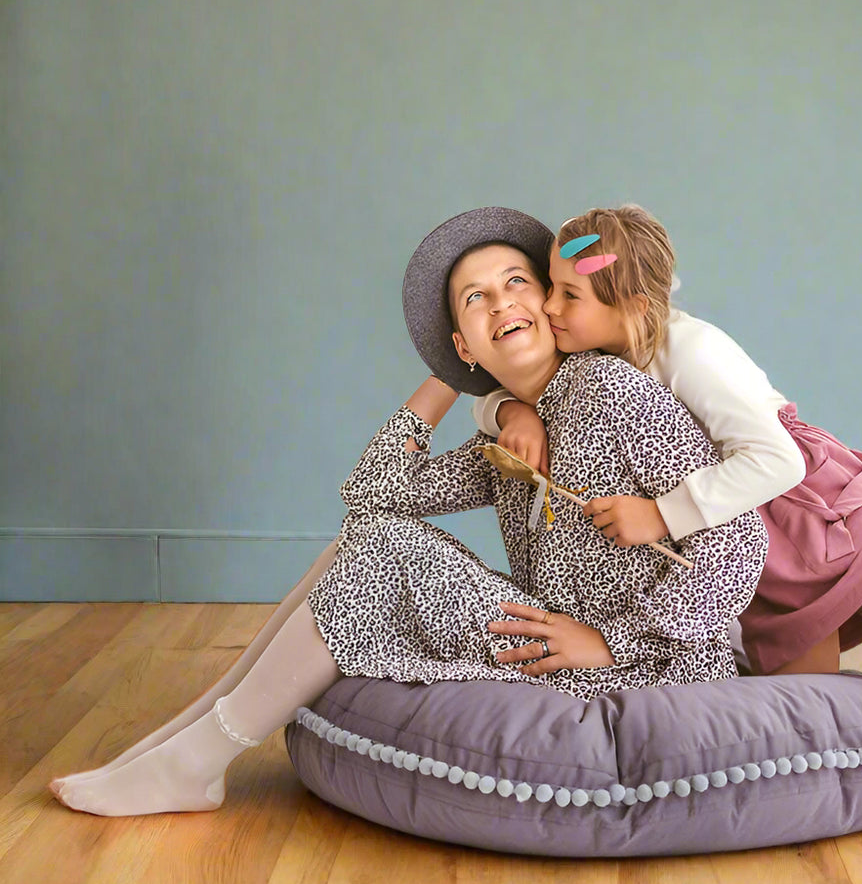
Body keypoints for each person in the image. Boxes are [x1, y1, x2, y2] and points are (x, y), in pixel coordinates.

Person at [49, 207, 767, 817]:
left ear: (554, 302)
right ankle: (191, 737)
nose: (503, 304)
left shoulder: (611, 390)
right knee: (371, 535)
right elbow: (371, 494)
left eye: (518, 282)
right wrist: (458, 381)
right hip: (549, 635)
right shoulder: (508, 441)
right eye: (474, 300)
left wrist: (610, 642)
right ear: (463, 344)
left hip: (650, 663)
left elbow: (742, 545)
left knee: (384, 551)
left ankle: (198, 759)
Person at [474, 204, 862, 733]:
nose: (549, 306)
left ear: (635, 306)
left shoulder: (691, 350)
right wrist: (512, 411)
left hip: (800, 506)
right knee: (807, 718)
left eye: (568, 294)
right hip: (740, 538)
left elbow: (776, 460)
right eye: (550, 286)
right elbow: (506, 387)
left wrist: (662, 515)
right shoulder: (588, 344)